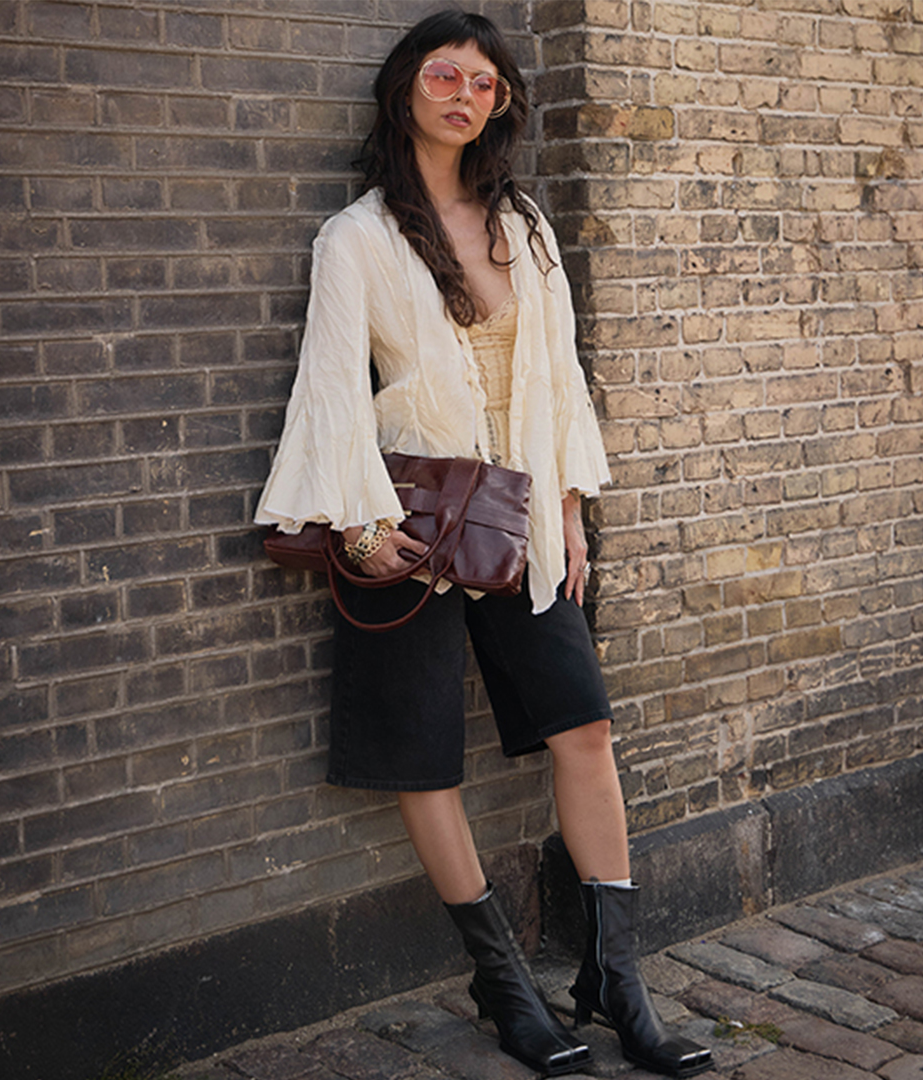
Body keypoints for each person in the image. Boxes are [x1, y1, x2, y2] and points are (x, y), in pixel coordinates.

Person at [255, 11, 711, 1078]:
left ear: (500, 105)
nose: (464, 94)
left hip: (522, 523)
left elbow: (561, 381)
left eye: (486, 84)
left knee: (584, 728)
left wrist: (570, 506)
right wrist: (358, 527)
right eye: (444, 74)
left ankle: (613, 980)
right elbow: (328, 387)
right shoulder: (357, 237)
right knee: (425, 753)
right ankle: (507, 992)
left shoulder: (528, 227)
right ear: (406, 90)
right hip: (405, 522)